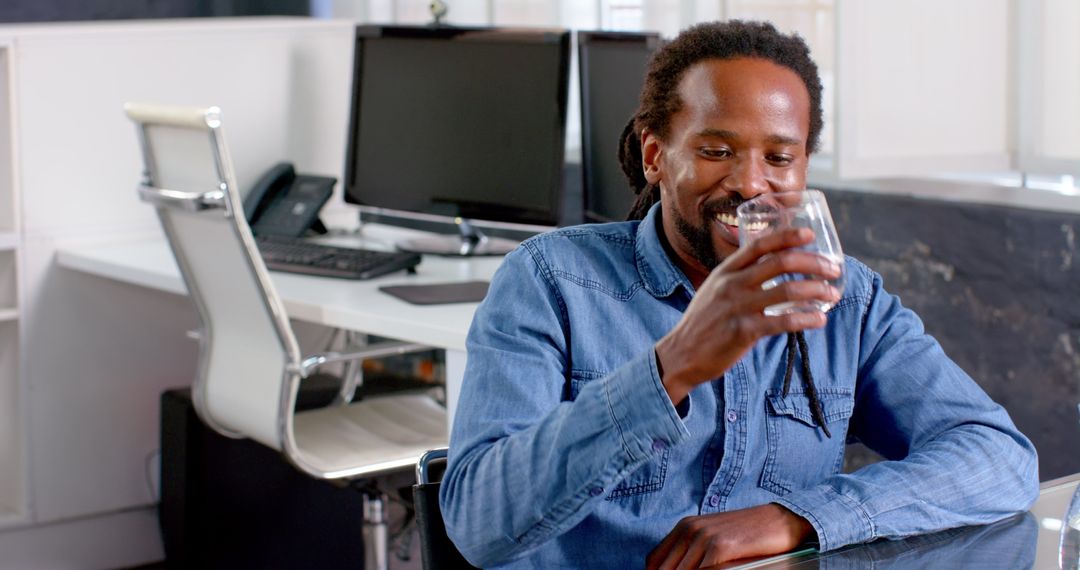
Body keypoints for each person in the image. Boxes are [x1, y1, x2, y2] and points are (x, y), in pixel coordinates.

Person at [440, 20, 1039, 568]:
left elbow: (998, 457)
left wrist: (795, 519)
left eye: (779, 157)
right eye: (716, 151)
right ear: (656, 156)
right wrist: (670, 369)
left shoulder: (845, 299)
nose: (751, 183)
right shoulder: (551, 281)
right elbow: (478, 523)